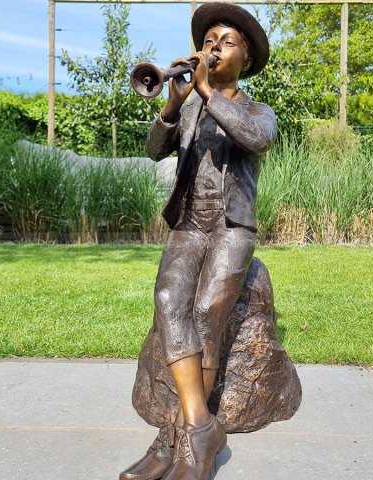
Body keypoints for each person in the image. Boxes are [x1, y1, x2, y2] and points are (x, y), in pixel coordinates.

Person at [120, 3, 277, 480]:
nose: (213, 48)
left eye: (225, 42)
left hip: (232, 227)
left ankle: (176, 438)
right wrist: (173, 104)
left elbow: (257, 139)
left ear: (244, 59)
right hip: (189, 223)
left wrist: (210, 94)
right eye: (208, 41)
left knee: (209, 313)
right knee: (169, 298)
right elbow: (153, 151)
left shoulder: (256, 109)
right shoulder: (189, 109)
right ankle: (197, 430)